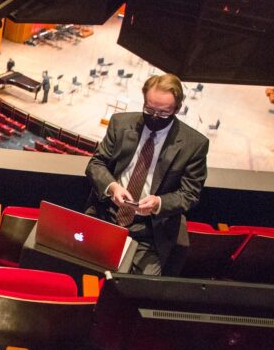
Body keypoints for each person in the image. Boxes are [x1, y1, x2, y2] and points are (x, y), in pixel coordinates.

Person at [85, 73, 208, 275]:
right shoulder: (120, 123)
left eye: (163, 113)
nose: (154, 117)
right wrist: (113, 187)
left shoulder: (194, 144)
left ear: (177, 109)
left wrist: (158, 203)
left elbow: (190, 195)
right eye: (149, 110)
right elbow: (96, 164)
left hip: (149, 231)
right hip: (106, 214)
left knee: (145, 287)